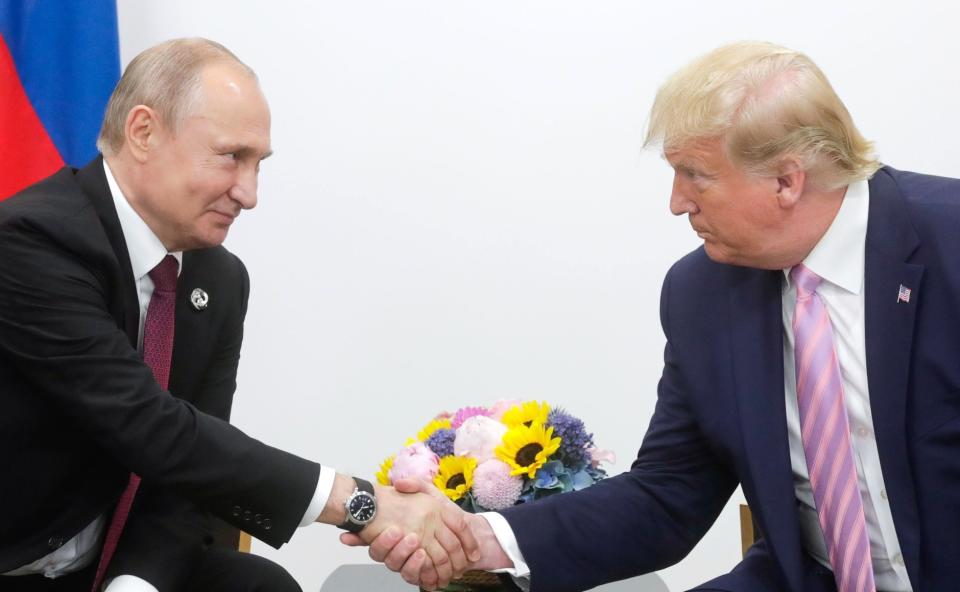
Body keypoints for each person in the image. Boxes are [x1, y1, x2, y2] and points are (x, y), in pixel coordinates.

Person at [363, 41, 960, 592]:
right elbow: (667, 496)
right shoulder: (702, 292)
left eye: (695, 176)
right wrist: (481, 540)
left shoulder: (947, 241)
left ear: (786, 179)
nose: (677, 203)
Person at [0, 38, 476, 592]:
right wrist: (360, 503)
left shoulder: (218, 278)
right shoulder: (31, 242)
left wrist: (135, 586)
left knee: (261, 586)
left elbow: (186, 477)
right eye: (231, 156)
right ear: (143, 132)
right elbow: (152, 428)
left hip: (101, 568)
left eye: (258, 164)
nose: (248, 194)